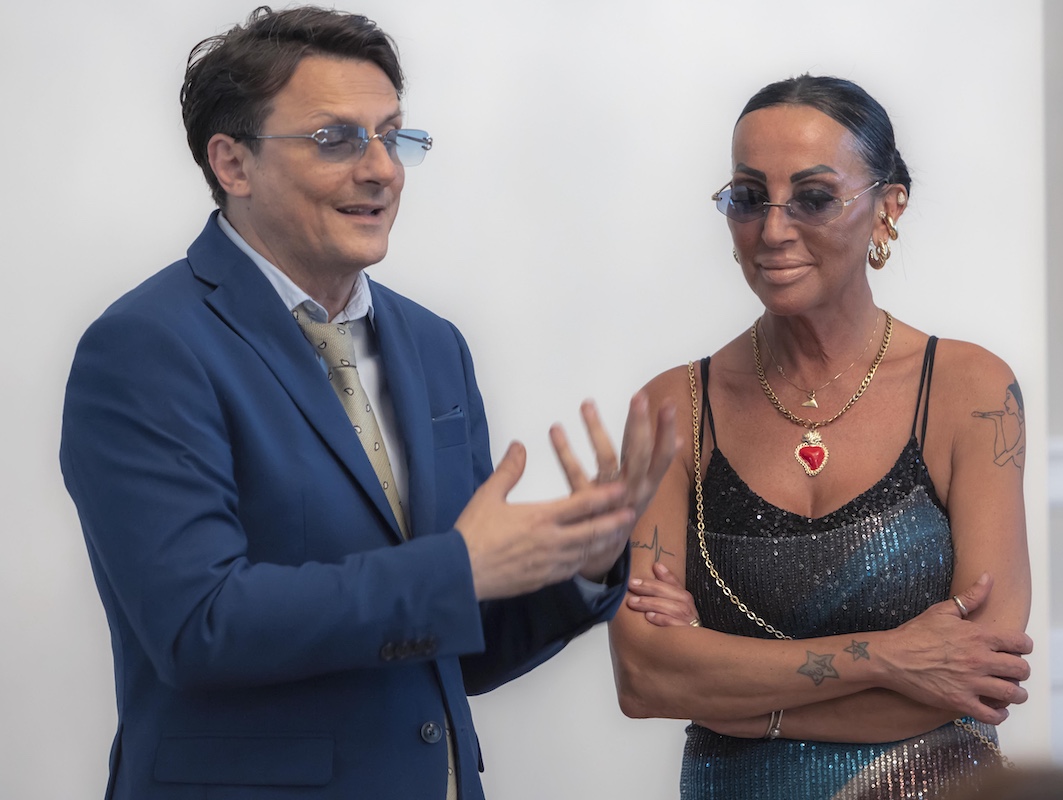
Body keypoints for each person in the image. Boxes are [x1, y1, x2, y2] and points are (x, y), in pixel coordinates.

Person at [59, 7, 674, 799]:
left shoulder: (435, 344)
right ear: (233, 163)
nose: (383, 169)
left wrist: (581, 563)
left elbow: (454, 642)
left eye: (392, 135)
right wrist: (457, 569)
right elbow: (199, 625)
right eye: (336, 139)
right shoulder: (146, 347)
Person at [606, 75, 1033, 798]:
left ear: (888, 207)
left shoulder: (969, 391)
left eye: (813, 197)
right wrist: (892, 657)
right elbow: (644, 676)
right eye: (749, 196)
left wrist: (728, 695)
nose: (773, 231)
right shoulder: (672, 408)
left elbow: (978, 678)